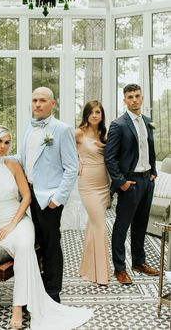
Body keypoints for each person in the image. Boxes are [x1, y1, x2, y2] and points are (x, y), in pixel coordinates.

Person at [0, 125, 92, 330]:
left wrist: (13, 223)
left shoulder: (13, 165)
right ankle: (25, 304)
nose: (3, 146)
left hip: (18, 221)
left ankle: (17, 308)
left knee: (25, 247)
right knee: (24, 251)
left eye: (7, 142)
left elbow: (27, 197)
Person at [14, 86, 79, 304]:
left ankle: (52, 294)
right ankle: (37, 288)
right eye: (34, 100)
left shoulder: (62, 129)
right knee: (36, 242)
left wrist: (57, 199)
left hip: (49, 198)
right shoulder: (27, 127)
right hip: (28, 194)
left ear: (53, 103)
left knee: (51, 244)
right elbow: (23, 159)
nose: (37, 104)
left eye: (42, 100)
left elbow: (72, 167)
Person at [104, 83, 160, 285]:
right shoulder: (118, 124)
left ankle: (139, 262)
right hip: (131, 182)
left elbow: (149, 149)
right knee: (121, 226)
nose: (134, 100)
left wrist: (153, 171)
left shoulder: (147, 121)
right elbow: (109, 158)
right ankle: (120, 268)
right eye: (130, 97)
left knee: (141, 224)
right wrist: (121, 183)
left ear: (142, 98)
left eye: (137, 96)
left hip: (147, 181)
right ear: (124, 100)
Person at [75, 100, 110, 286]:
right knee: (100, 226)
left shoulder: (103, 133)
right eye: (91, 112)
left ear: (101, 115)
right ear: (86, 114)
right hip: (87, 183)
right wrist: (76, 163)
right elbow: (64, 151)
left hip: (103, 182)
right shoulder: (78, 132)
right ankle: (102, 275)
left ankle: (88, 270)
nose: (95, 115)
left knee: (93, 226)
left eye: (98, 112)